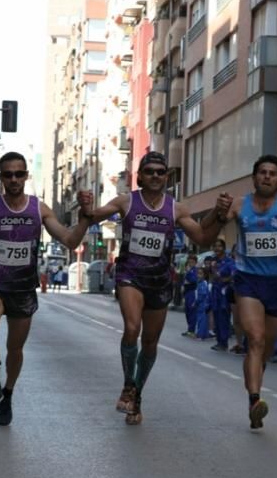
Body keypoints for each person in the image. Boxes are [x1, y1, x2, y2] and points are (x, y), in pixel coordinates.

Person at [77, 151, 226, 425]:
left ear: (166, 177)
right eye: (150, 171)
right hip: (130, 274)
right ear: (140, 177)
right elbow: (94, 216)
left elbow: (203, 236)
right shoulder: (126, 201)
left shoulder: (176, 209)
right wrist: (85, 205)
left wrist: (219, 215)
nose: (155, 176)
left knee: (150, 343)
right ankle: (127, 385)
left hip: (159, 280)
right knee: (132, 328)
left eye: (160, 171)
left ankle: (137, 395)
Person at [0, 151, 92, 426]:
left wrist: (85, 216)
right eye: (8, 174)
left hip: (23, 288)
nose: (14, 179)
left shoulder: (39, 209)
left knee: (14, 348)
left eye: (19, 174)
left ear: (26, 176)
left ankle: (8, 394)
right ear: (0, 177)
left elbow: (71, 241)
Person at [209, 155, 277, 429]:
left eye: (272, 173)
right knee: (256, 340)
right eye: (262, 172)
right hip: (248, 280)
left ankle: (256, 378)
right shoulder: (240, 205)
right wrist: (218, 212)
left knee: (266, 349)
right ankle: (254, 401)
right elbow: (214, 227)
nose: (267, 177)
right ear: (254, 177)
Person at [208, 239, 234, 352]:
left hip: (224, 292)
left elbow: (234, 274)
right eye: (215, 246)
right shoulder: (215, 262)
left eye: (219, 246)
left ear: (223, 248)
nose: (217, 249)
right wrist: (212, 269)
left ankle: (224, 342)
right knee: (216, 315)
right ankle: (219, 341)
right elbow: (212, 276)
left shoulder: (229, 261)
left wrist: (225, 280)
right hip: (215, 291)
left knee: (223, 317)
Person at [181, 254, 199, 337]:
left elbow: (193, 280)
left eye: (192, 262)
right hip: (187, 292)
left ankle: (191, 330)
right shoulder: (188, 270)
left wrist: (188, 273)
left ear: (195, 263)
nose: (190, 263)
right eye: (189, 262)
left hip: (192, 292)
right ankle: (189, 328)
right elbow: (185, 281)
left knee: (192, 311)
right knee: (187, 311)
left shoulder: (195, 271)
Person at [194, 267, 211, 340]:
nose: (198, 275)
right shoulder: (200, 282)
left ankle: (200, 335)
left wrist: (196, 302)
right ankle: (204, 334)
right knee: (202, 319)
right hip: (202, 304)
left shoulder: (203, 283)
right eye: (198, 273)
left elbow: (202, 294)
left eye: (200, 274)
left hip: (202, 304)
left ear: (204, 275)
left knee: (201, 320)